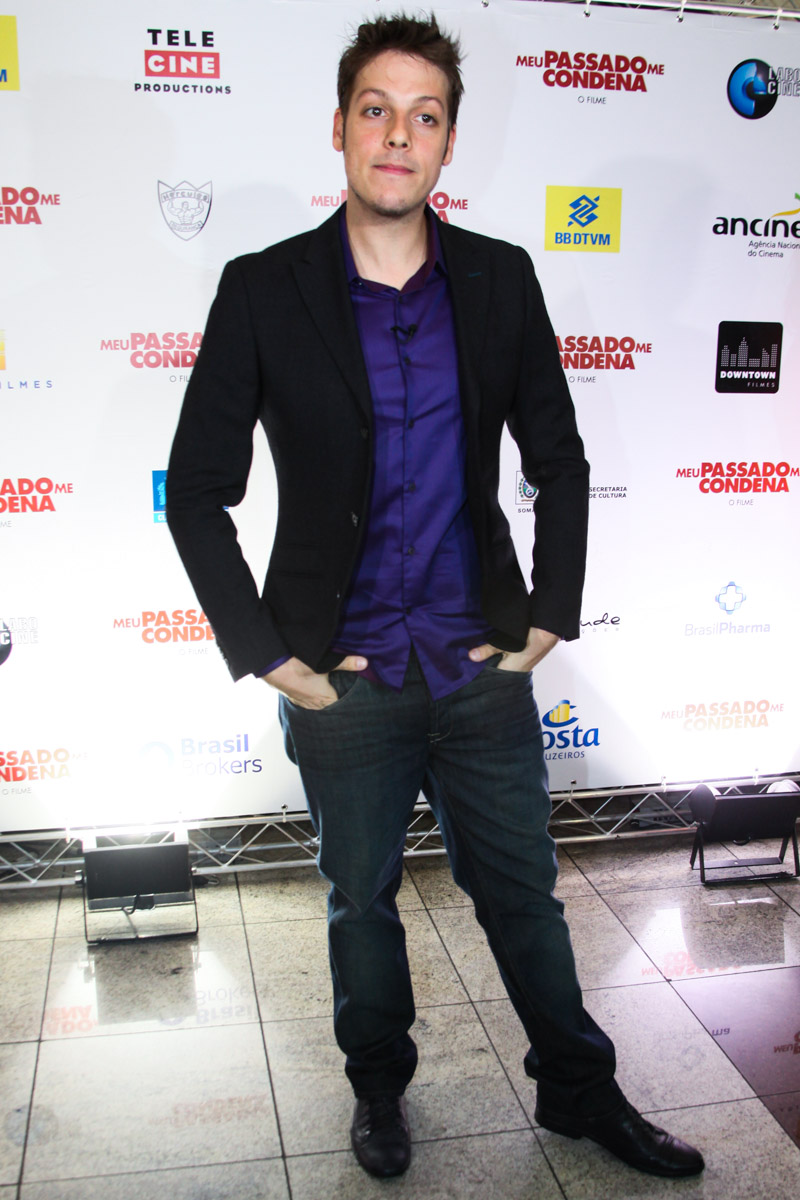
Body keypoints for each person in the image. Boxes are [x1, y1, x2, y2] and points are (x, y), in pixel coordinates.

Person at [167, 12, 704, 1182]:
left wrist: (548, 612)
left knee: (525, 897)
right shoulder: (262, 289)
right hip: (342, 675)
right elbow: (196, 492)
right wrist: (268, 654)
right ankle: (378, 1091)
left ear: (448, 141)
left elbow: (558, 460)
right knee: (359, 905)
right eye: (376, 110)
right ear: (340, 129)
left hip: (474, 665)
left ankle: (579, 1092)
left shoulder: (500, 280)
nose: (398, 135)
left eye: (424, 115)